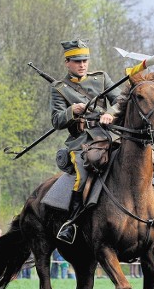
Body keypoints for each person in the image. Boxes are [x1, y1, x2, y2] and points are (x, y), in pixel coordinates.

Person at [50, 39, 120, 244]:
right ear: (67, 63)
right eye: (77, 61)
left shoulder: (102, 78)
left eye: (85, 60)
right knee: (83, 172)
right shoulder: (59, 88)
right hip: (80, 141)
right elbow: (56, 121)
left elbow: (120, 101)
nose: (82, 65)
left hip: (108, 135)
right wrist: (72, 111)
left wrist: (110, 113)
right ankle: (71, 223)